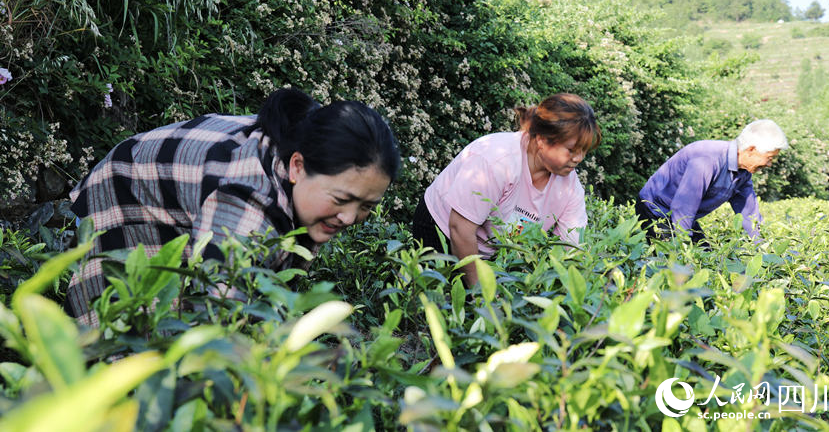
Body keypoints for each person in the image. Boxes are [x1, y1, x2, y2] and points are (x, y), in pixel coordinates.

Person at [65, 88, 400, 325]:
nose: (349, 217)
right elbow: (216, 314)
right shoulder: (246, 206)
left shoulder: (300, 155)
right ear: (297, 166)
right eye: (341, 200)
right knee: (127, 344)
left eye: (366, 206)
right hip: (123, 200)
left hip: (181, 195)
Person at [412, 93, 601, 285]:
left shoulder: (570, 188)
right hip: (441, 230)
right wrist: (481, 294)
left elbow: (572, 248)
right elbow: (460, 228)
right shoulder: (496, 160)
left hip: (491, 250)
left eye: (584, 150)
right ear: (542, 140)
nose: (579, 159)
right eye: (571, 150)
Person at [635, 119, 788, 245]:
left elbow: (749, 214)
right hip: (655, 210)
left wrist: (763, 251)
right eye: (770, 158)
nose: (769, 164)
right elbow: (683, 208)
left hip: (682, 216)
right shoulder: (707, 160)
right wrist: (682, 249)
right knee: (676, 268)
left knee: (707, 258)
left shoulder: (744, 173)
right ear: (751, 149)